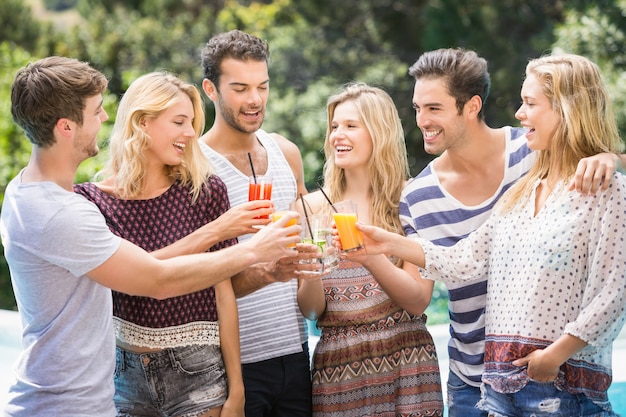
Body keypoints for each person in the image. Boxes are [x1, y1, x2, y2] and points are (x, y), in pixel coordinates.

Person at [1, 56, 301, 417]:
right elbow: (155, 279)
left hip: (148, 384)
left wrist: (236, 389)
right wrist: (253, 250)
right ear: (66, 127)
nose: (105, 119)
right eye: (96, 110)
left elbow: (145, 269)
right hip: (75, 401)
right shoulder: (69, 210)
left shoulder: (26, 194)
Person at [348, 53, 626, 416]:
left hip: (557, 380)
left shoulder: (573, 174)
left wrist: (611, 157)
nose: (519, 113)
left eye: (529, 103)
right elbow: (464, 261)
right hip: (488, 381)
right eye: (418, 108)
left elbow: (614, 291)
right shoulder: (519, 190)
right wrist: (383, 243)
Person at [73, 71, 269, 417]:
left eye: (192, 122)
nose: (191, 134)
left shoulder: (204, 192)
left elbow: (223, 292)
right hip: (123, 379)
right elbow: (132, 277)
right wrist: (213, 232)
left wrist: (237, 391)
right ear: (143, 123)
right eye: (179, 121)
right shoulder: (90, 202)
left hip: (199, 373)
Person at [297, 82, 444, 416]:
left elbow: (419, 299)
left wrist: (371, 257)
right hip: (338, 370)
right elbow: (311, 311)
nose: (337, 135)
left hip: (406, 363)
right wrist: (312, 272)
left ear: (378, 133)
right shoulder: (310, 208)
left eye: (350, 126)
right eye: (334, 127)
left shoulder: (412, 199)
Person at [198, 30, 312, 417]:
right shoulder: (194, 166)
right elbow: (196, 280)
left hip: (296, 352)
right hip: (232, 365)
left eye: (262, 86)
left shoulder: (287, 152)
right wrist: (265, 273)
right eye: (240, 88)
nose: (255, 100)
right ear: (210, 90)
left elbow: (304, 244)